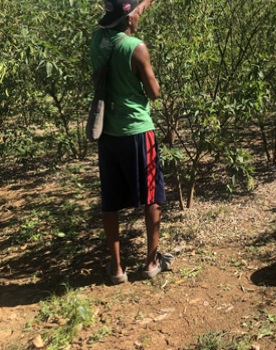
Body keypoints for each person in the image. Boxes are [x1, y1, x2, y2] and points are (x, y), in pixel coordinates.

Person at [90, 0, 173, 285]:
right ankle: (151, 262)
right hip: (138, 131)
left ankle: (116, 268)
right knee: (152, 197)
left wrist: (145, 3)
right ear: (129, 19)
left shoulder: (98, 39)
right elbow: (154, 92)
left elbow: (130, 12)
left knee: (110, 201)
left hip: (108, 134)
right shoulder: (136, 47)